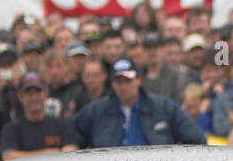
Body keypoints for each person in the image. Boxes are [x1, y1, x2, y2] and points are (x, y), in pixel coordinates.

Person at [72, 58, 205, 148]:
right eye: (118, 82)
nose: (123, 87)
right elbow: (72, 141)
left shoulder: (164, 108)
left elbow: (196, 139)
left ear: (138, 80)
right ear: (112, 84)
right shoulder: (95, 111)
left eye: (128, 81)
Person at [0, 72, 77, 160]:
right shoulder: (11, 129)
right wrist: (47, 154)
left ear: (46, 93)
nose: (34, 96)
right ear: (20, 96)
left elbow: (71, 152)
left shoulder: (62, 126)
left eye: (38, 91)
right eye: (29, 92)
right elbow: (8, 156)